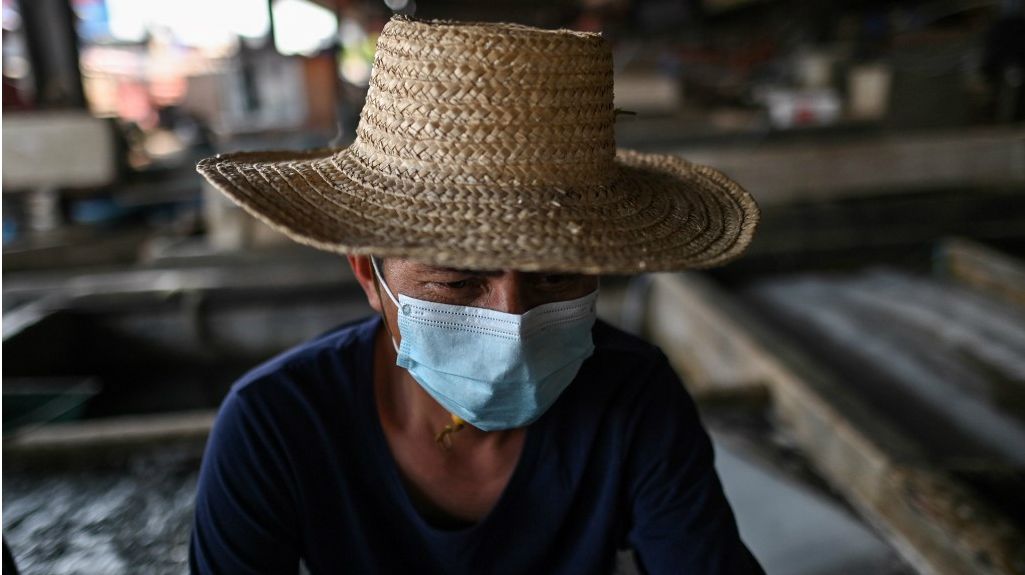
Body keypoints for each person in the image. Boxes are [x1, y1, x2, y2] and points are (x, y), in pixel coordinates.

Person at [190, 14, 763, 575]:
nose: (513, 319)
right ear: (369, 274)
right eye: (458, 282)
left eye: (555, 275)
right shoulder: (275, 423)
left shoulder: (635, 400)